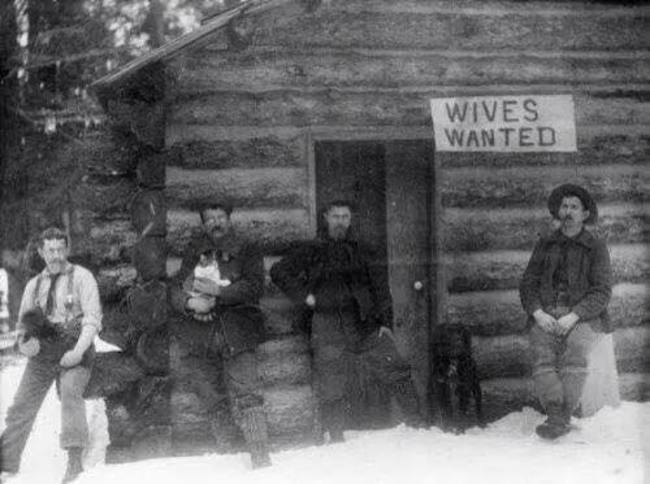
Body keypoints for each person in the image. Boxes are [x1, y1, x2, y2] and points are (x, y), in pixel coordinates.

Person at [270, 200, 423, 443]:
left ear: (351, 220)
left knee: (395, 368)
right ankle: (336, 437)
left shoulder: (362, 250)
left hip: (363, 322)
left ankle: (418, 426)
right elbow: (278, 271)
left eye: (345, 217)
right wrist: (304, 296)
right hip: (326, 322)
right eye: (336, 216)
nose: (340, 221)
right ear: (326, 218)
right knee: (331, 382)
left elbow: (380, 287)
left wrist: (385, 322)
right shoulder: (311, 249)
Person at [170, 202, 271, 468]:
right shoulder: (195, 251)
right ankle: (229, 452)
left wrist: (219, 293)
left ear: (229, 219)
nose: (216, 222)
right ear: (204, 224)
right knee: (208, 392)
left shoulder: (247, 248)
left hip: (237, 329)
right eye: (210, 219)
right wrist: (190, 303)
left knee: (248, 392)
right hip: (202, 332)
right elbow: (177, 287)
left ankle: (260, 457)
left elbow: (255, 286)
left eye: (220, 217)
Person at [0, 227, 102, 483]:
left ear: (67, 249)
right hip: (43, 354)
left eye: (60, 249)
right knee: (21, 405)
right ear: (41, 252)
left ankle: (75, 462)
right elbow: (22, 326)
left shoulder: (83, 277)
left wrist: (78, 352)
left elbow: (92, 320)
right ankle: (6, 462)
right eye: (50, 250)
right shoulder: (34, 285)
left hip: (75, 348)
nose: (56, 256)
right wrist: (27, 344)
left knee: (70, 392)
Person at [520, 184, 613, 440]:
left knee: (576, 350)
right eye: (564, 206)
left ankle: (560, 417)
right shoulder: (545, 243)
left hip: (583, 317)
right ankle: (555, 413)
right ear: (557, 211)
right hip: (547, 314)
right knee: (542, 353)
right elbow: (528, 283)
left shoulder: (595, 247)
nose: (568, 212)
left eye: (574, 207)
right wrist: (538, 313)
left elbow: (602, 291)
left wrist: (574, 315)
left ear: (585, 214)